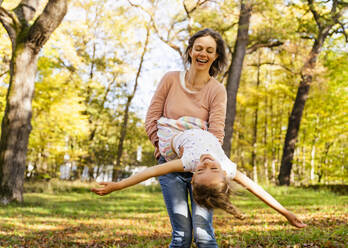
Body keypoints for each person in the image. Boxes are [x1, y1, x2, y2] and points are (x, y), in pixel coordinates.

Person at [91, 127, 307, 232]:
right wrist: (286, 213)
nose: (205, 162)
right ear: (222, 172)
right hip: (199, 127)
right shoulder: (228, 169)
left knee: (202, 227)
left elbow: (150, 172)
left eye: (202, 170)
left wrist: (117, 186)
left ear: (193, 178)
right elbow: (257, 189)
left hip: (174, 131)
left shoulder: (188, 162)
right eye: (212, 167)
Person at [144, 28, 228, 248]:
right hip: (170, 165)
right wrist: (161, 147)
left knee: (203, 234)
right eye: (198, 48)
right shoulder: (171, 79)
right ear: (190, 51)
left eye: (209, 50)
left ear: (215, 56)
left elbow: (216, 133)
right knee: (181, 236)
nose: (203, 53)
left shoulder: (217, 90)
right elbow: (152, 118)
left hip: (202, 169)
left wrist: (203, 161)